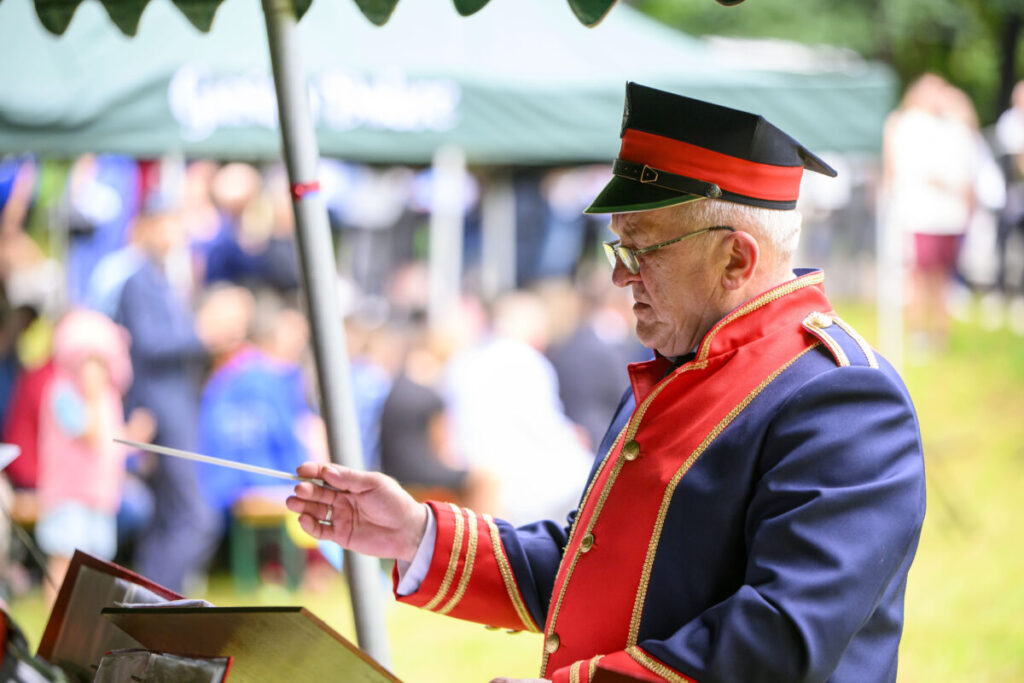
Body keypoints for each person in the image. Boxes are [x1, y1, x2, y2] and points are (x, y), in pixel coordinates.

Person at [287, 83, 927, 682]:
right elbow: (594, 568)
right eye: (618, 248)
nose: (620, 276)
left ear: (736, 258)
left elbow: (779, 640)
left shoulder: (843, 397)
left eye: (642, 249)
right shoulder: (678, 363)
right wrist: (417, 535)